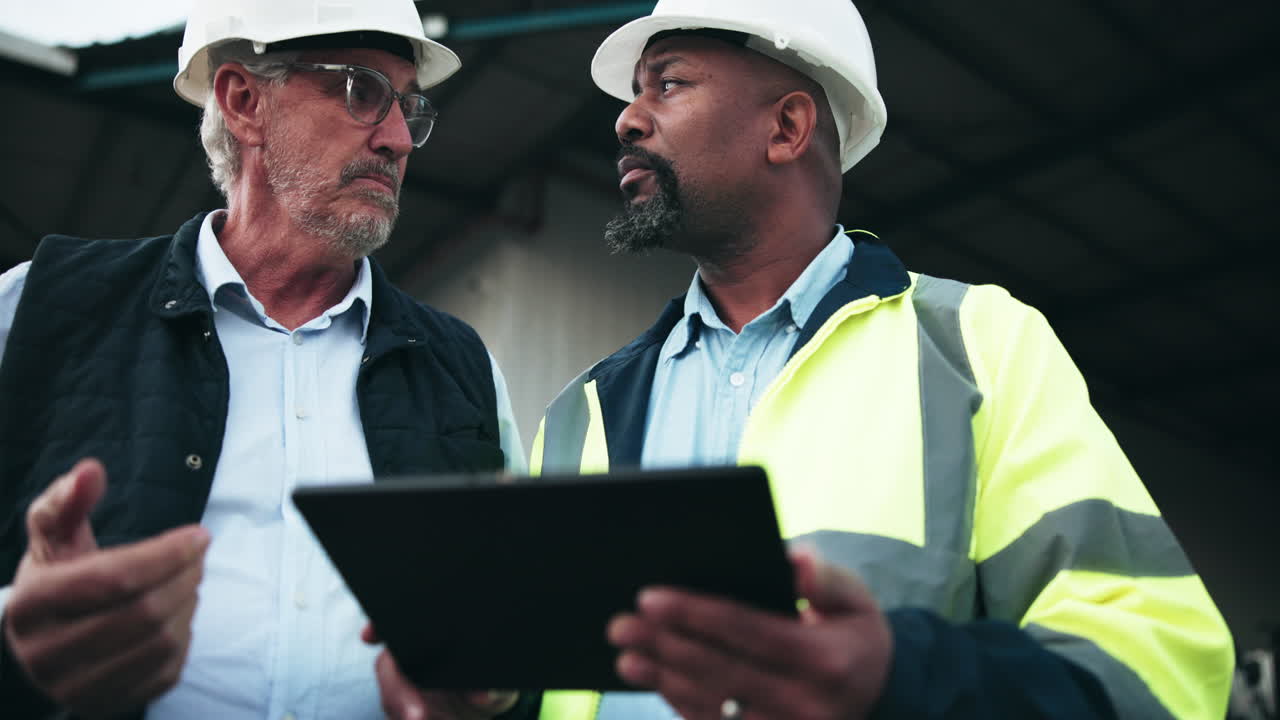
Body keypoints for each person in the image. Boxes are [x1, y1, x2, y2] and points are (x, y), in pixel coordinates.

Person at [517, 0, 1235, 718]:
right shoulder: (584, 411)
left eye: (666, 84)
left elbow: (1157, 659)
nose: (627, 118)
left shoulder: (977, 345)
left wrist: (904, 677)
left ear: (787, 128)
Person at [0, 0, 534, 718]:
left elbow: (516, 627)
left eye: (409, 107)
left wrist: (493, 689)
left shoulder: (464, 369)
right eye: (363, 91)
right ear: (244, 101)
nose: (401, 139)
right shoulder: (36, 308)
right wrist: (16, 623)